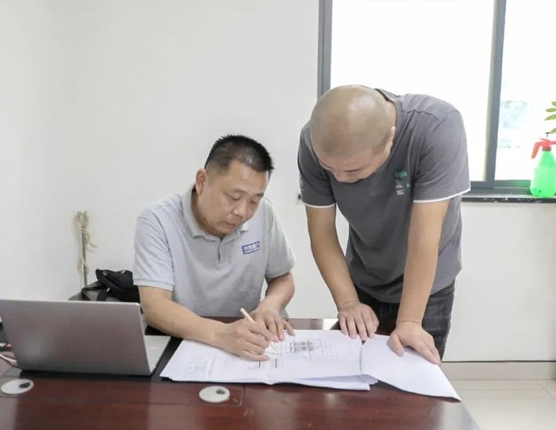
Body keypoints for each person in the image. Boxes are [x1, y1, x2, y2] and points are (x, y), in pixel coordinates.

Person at [298, 85, 470, 363]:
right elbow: (322, 233)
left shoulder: (437, 126)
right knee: (357, 374)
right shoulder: (313, 139)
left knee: (415, 378)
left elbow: (424, 236)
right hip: (364, 276)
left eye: (353, 170)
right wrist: (348, 302)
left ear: (390, 138)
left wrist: (410, 321)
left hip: (427, 287)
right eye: (328, 168)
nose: (339, 178)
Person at [135, 134, 296, 361]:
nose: (242, 212)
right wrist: (220, 334)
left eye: (254, 200)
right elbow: (155, 305)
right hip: (187, 341)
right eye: (234, 197)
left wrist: (270, 306)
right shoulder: (158, 220)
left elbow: (283, 278)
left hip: (250, 341)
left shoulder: (264, 213)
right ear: (202, 181)